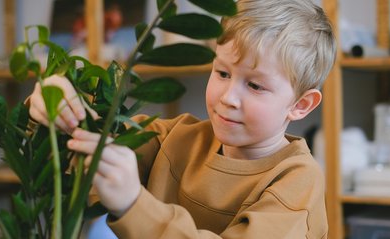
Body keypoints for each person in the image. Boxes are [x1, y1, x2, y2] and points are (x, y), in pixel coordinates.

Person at [27, 0, 336, 237]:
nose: (228, 97)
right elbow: (71, 156)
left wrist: (134, 205)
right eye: (222, 72)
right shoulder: (172, 138)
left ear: (301, 104)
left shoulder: (297, 182)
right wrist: (52, 107)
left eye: (255, 85)